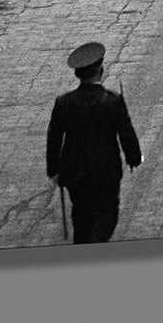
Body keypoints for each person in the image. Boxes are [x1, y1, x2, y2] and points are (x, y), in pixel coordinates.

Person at [45, 41, 142, 244]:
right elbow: (126, 133)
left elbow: (54, 138)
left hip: (74, 172)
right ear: (101, 70)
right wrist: (134, 158)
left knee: (81, 216)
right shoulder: (112, 101)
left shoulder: (64, 103)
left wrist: (54, 170)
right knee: (107, 216)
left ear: (78, 74)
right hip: (106, 171)